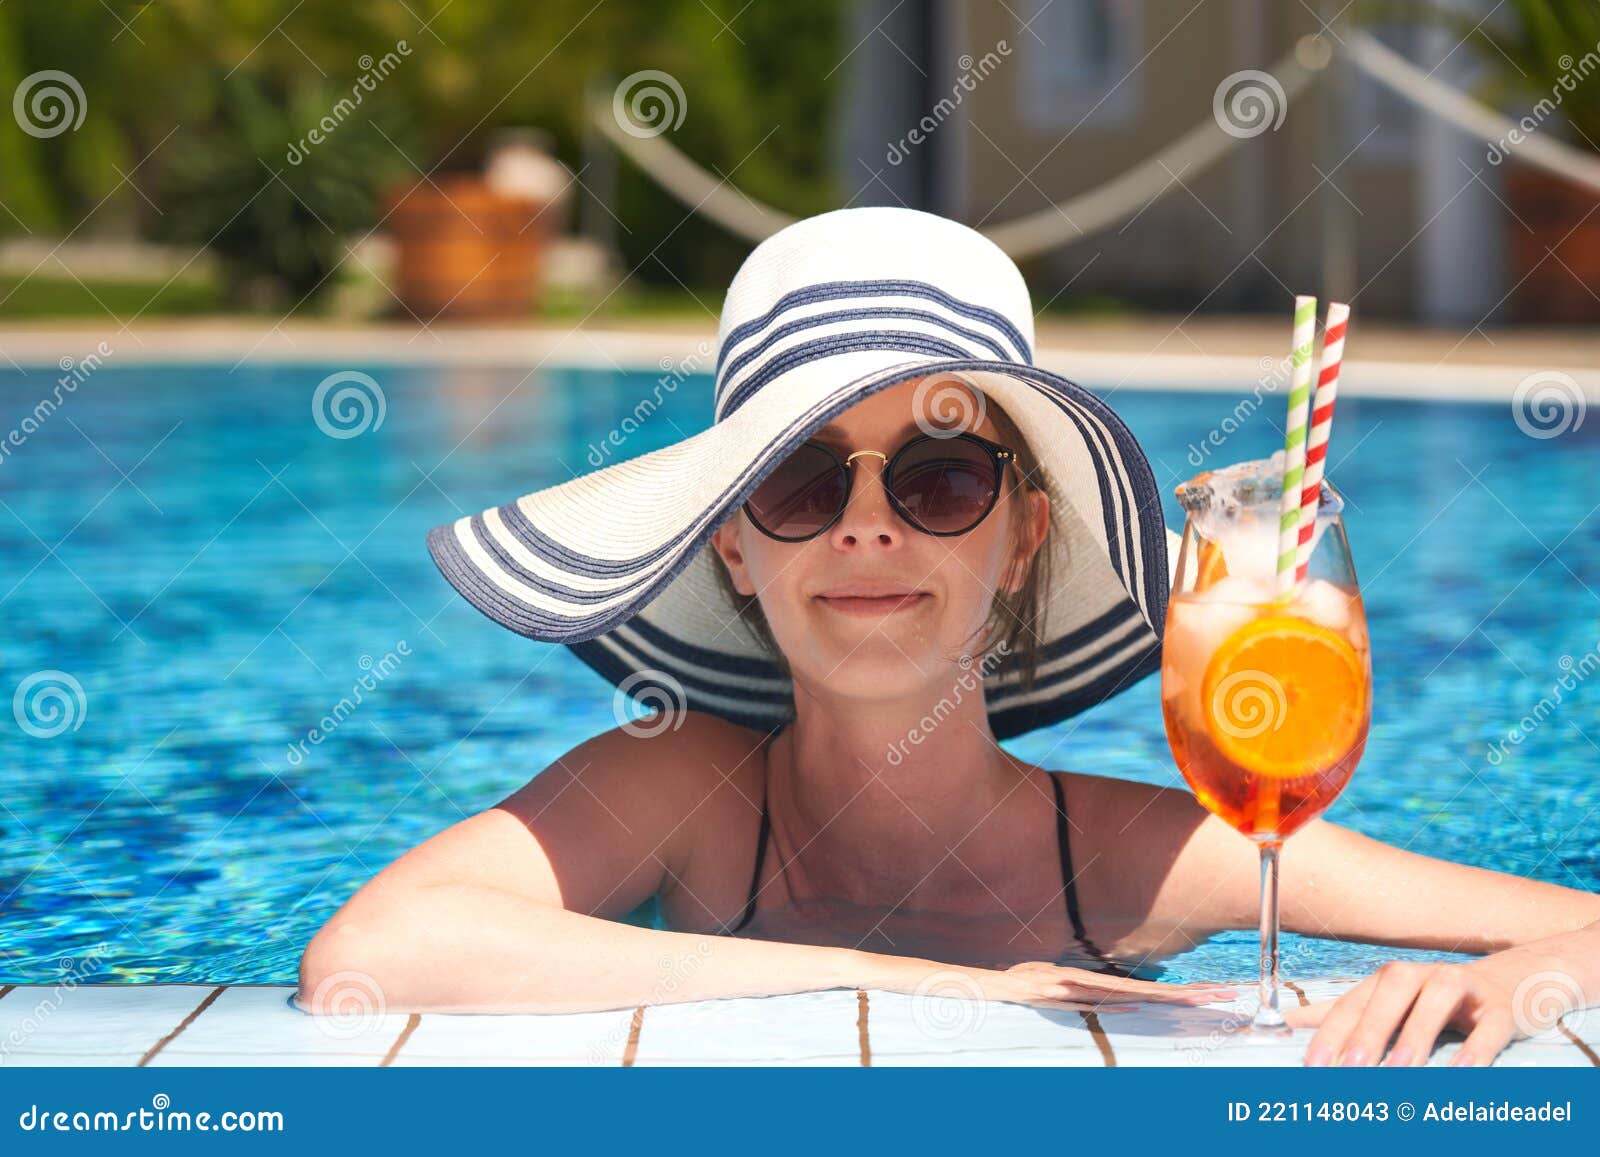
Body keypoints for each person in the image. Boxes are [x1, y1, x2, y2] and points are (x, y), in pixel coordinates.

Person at [299, 207, 1600, 1065]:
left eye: (936, 477)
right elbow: (371, 950)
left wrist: (1510, 988)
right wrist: (958, 989)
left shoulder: (1138, 865)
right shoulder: (686, 786)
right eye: (806, 484)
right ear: (737, 548)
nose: (867, 529)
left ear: (1024, 534)